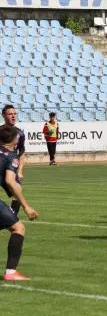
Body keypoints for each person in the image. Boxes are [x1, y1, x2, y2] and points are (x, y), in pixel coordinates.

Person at [0, 125, 38, 281]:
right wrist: (26, 206)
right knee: (18, 228)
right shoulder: (11, 156)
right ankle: (11, 272)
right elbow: (10, 181)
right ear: (15, 140)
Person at [1, 106, 25, 216]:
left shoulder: (20, 133)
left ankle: (12, 217)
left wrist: (20, 171)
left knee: (17, 192)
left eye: (15, 113)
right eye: (10, 114)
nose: (13, 116)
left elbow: (21, 153)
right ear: (4, 116)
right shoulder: (0, 131)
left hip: (10, 167)